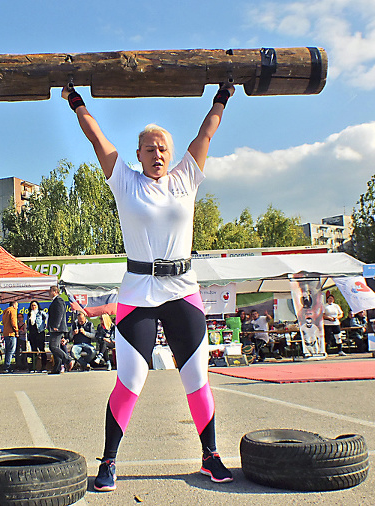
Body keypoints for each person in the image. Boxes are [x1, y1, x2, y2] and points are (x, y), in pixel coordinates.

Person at [63, 81, 236, 490]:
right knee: (131, 381)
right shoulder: (124, 181)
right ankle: (108, 461)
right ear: (138, 155)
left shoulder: (186, 178)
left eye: (162, 148)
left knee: (196, 376)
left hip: (182, 291)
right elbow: (96, 137)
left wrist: (222, 97)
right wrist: (75, 101)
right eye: (148, 148)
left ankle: (210, 455)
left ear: (170, 154)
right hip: (138, 291)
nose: (156, 154)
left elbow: (207, 131)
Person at [46, 285, 73, 375]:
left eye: (50, 292)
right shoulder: (55, 301)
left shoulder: (59, 300)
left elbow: (59, 314)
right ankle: (56, 368)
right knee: (55, 348)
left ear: (55, 292)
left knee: (53, 347)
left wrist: (56, 326)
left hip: (57, 328)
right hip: (55, 328)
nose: (49, 294)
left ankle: (68, 359)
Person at [27, 300, 47, 372]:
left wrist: (44, 326)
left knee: (42, 349)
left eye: (35, 305)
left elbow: (47, 318)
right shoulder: (30, 313)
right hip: (32, 333)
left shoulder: (41, 312)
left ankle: (44, 367)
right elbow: (28, 324)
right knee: (33, 350)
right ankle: (34, 367)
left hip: (40, 332)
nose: (33, 307)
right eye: (32, 305)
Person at [2, 301, 19, 373]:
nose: (17, 307)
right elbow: (13, 322)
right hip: (11, 333)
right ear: (14, 305)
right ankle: (7, 366)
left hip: (6, 332)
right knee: (11, 350)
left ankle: (6, 365)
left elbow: (3, 322)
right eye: (17, 305)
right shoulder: (13, 311)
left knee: (7, 350)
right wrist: (16, 331)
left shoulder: (5, 312)